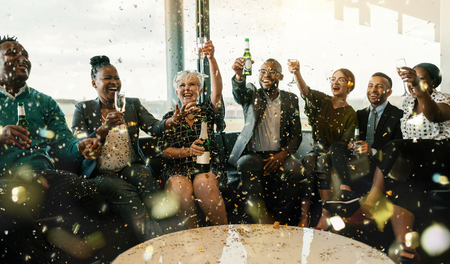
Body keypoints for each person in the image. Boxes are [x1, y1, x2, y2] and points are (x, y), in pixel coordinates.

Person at [0, 36, 105, 263]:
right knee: (13, 208)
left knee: (91, 191)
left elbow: (64, 144)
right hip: (3, 179)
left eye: (26, 55)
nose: (22, 59)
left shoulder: (44, 101)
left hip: (42, 176)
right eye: (12, 53)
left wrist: (81, 146)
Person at [72, 55, 182, 241]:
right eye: (107, 78)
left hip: (130, 166)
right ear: (94, 83)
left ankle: (173, 238)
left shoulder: (132, 104)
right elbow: (80, 145)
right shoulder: (82, 108)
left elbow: (153, 127)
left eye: (116, 77)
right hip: (100, 172)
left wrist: (172, 121)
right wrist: (105, 128)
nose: (114, 82)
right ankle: (155, 244)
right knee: (128, 196)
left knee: (148, 183)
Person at [362, 63, 450, 264]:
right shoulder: (407, 104)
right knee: (401, 184)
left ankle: (370, 201)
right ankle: (406, 249)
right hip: (418, 163)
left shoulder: (443, 98)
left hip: (442, 155)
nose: (413, 82)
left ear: (433, 82)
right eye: (411, 78)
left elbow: (435, 116)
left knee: (395, 147)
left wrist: (419, 88)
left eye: (420, 78)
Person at [157, 39, 227, 228]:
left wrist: (211, 59)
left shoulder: (207, 111)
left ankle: (222, 235)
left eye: (193, 84)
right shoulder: (169, 118)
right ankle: (195, 239)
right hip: (177, 169)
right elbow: (163, 151)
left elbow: (218, 92)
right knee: (179, 187)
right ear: (176, 91)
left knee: (203, 182)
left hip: (207, 167)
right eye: (182, 85)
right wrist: (187, 151)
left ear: (201, 90)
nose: (187, 88)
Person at [228, 58, 304, 225]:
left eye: (272, 71)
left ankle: (283, 219)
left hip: (279, 154)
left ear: (281, 77)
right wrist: (239, 76)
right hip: (254, 155)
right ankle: (262, 218)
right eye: (262, 71)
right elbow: (239, 94)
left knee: (297, 169)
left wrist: (282, 155)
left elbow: (297, 135)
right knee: (244, 163)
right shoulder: (252, 94)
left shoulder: (291, 99)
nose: (266, 75)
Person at [288, 60, 357, 229]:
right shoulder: (324, 101)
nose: (335, 82)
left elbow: (342, 145)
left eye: (340, 79)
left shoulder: (351, 113)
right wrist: (297, 73)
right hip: (317, 148)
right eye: (333, 79)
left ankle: (326, 215)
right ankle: (304, 216)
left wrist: (327, 154)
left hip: (335, 153)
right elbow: (306, 92)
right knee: (310, 162)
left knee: (322, 161)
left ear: (349, 85)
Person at [324, 72, 403, 217]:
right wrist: (350, 145)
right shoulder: (360, 114)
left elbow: (397, 149)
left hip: (379, 164)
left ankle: (352, 209)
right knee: (336, 148)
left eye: (379, 87)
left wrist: (372, 151)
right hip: (358, 161)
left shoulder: (398, 116)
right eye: (370, 85)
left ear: (389, 92)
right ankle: (345, 188)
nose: (373, 90)